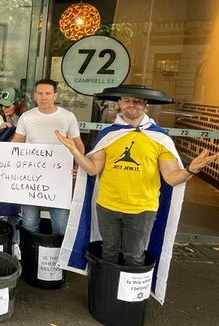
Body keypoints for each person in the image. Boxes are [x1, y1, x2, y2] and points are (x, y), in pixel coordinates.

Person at [55, 85, 218, 266]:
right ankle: (106, 293)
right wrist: (75, 152)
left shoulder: (159, 137)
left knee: (133, 256)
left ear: (145, 104)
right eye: (127, 100)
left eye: (138, 100)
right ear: (120, 103)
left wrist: (190, 169)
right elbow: (93, 168)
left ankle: (127, 295)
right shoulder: (109, 134)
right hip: (108, 205)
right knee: (109, 252)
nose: (132, 104)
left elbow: (171, 177)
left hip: (142, 208)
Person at [0, 79, 85, 235]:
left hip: (58, 180)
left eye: (48, 93)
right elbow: (16, 143)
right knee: (29, 223)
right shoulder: (27, 117)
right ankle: (28, 256)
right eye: (40, 93)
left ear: (55, 95)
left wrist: (79, 165)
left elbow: (78, 145)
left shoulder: (68, 117)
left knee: (61, 225)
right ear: (35, 95)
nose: (44, 97)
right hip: (30, 180)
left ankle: (59, 258)